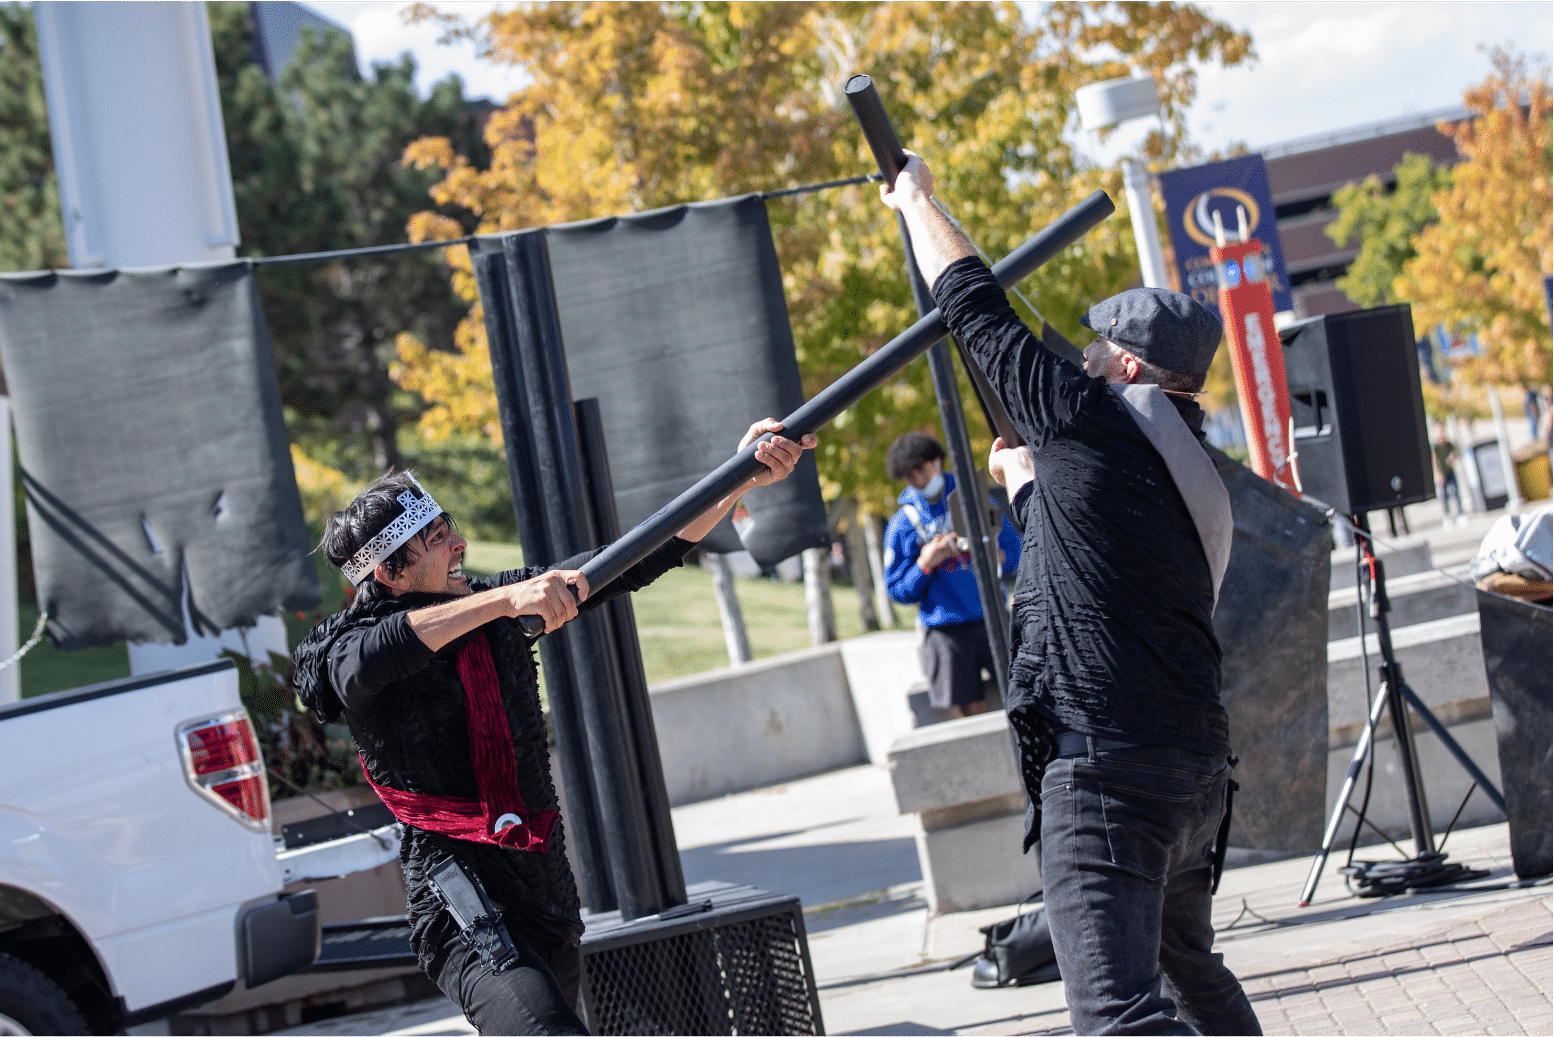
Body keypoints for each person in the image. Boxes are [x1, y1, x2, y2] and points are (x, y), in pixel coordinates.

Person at [882, 155, 1261, 1036]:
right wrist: (1026, 488)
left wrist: (919, 201)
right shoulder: (1191, 461)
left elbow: (974, 305)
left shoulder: (1087, 417)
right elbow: (1098, 548)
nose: (1079, 356)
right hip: (1191, 767)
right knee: (1192, 976)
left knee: (1120, 1014)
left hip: (1108, 769)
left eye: (1095, 349)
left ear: (1126, 367)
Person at [292, 419, 815, 1036]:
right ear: (390, 574)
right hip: (462, 909)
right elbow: (371, 660)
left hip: (543, 897)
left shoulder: (489, 606)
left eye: (450, 529)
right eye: (437, 539)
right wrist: (504, 603)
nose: (458, 544)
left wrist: (743, 473)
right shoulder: (346, 648)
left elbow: (636, 556)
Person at [883, 431, 1021, 718]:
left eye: (921, 470)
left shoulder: (974, 499)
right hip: (945, 629)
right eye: (909, 477)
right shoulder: (902, 524)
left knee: (1025, 692)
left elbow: (1016, 549)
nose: (919, 481)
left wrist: (996, 556)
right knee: (963, 712)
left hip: (993, 615)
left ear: (937, 462)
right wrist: (925, 564)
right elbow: (896, 589)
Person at [1432, 429, 1464, 527]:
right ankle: (1447, 516)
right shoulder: (1436, 446)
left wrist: (1453, 457)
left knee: (1456, 493)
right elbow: (1434, 460)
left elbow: (1456, 452)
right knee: (1444, 496)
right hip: (1442, 474)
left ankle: (1460, 515)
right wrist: (1437, 474)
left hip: (1450, 472)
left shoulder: (1449, 444)